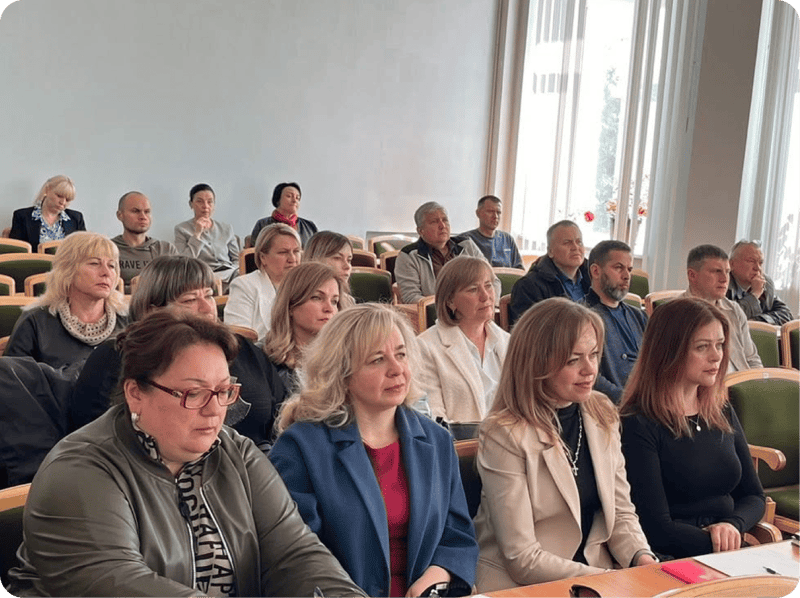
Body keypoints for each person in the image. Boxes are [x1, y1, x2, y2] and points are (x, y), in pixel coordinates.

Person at [6, 310, 366, 598]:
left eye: (223, 391)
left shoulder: (237, 453)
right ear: (135, 393)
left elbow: (294, 552)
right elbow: (119, 582)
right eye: (194, 393)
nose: (215, 410)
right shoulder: (79, 470)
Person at [269, 303, 478, 598]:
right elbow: (297, 558)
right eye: (377, 360)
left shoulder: (437, 441)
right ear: (342, 373)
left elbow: (458, 537)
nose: (397, 369)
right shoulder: (300, 447)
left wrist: (434, 578)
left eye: (401, 355)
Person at [473, 298, 655, 592]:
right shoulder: (503, 434)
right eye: (573, 360)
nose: (590, 369)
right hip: (521, 585)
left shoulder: (602, 411)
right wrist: (604, 579)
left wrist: (643, 559)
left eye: (593, 355)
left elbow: (621, 514)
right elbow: (521, 558)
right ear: (537, 364)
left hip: (592, 577)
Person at [70, 255, 287, 450]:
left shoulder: (243, 349)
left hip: (258, 466)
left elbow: (282, 417)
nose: (207, 309)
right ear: (152, 311)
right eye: (190, 300)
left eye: (209, 296)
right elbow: (93, 439)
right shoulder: (117, 356)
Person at [620, 298, 766, 559]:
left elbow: (754, 496)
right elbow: (656, 528)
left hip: (724, 551)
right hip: (670, 558)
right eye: (702, 347)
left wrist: (732, 525)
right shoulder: (638, 422)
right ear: (669, 351)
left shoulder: (721, 410)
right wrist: (724, 547)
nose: (717, 356)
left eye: (719, 344)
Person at [4, 232, 127, 368]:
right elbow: (13, 376)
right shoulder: (35, 321)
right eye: (94, 263)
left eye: (112, 266)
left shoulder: (130, 322)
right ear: (68, 269)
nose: (106, 272)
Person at [416, 256, 510, 423]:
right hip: (460, 439)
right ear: (450, 301)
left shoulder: (508, 341)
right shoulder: (425, 347)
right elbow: (433, 419)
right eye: (473, 289)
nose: (485, 296)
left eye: (488, 286)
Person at [580, 240, 647, 403]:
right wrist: (628, 402)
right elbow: (588, 375)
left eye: (629, 269)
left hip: (647, 402)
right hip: (608, 407)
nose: (626, 276)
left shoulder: (639, 316)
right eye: (618, 268)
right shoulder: (580, 317)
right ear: (596, 271)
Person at [395, 201, 499, 304]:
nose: (442, 225)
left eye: (445, 220)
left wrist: (489, 304)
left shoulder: (467, 245)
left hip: (475, 308)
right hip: (435, 312)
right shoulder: (409, 256)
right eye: (434, 222)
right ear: (421, 231)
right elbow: (411, 297)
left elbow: (493, 281)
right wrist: (448, 308)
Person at [263, 262, 344, 390]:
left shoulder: (347, 358)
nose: (329, 308)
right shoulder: (262, 361)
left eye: (334, 301)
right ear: (290, 305)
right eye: (317, 298)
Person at [681, 244, 761, 372]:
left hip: (742, 380)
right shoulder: (675, 314)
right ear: (692, 275)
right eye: (716, 271)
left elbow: (752, 359)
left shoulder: (734, 309)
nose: (724, 279)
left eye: (727, 272)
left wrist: (757, 382)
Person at [224, 223, 302, 345]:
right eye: (283, 252)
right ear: (262, 257)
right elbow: (238, 339)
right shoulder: (244, 286)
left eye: (296, 251)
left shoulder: (307, 284)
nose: (292, 259)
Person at [509, 220, 590, 326]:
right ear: (550, 252)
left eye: (579, 242)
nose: (575, 247)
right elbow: (530, 331)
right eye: (567, 243)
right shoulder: (528, 286)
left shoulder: (594, 278)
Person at [174, 183, 240, 288]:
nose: (205, 206)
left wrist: (235, 272)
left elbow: (237, 258)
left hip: (230, 274)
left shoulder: (226, 228)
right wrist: (197, 234)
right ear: (191, 204)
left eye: (210, 202)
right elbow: (184, 262)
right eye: (200, 201)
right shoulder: (181, 229)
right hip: (202, 276)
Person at [112, 190, 178, 292]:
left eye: (147, 212)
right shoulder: (107, 248)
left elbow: (177, 286)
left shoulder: (166, 249)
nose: (143, 217)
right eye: (135, 211)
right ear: (120, 215)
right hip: (118, 301)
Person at [10, 175, 86, 252]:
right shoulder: (22, 216)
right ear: (47, 190)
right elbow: (16, 251)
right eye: (59, 196)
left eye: (68, 200)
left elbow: (84, 250)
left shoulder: (76, 218)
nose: (63, 202)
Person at [726, 240, 793, 325]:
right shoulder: (722, 283)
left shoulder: (766, 283)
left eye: (760, 263)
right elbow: (730, 317)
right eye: (751, 261)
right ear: (731, 264)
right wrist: (755, 294)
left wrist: (758, 321)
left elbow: (786, 314)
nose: (757, 268)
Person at [462, 195, 523, 269]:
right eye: (490, 211)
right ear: (478, 213)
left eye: (498, 212)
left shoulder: (508, 239)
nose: (495, 216)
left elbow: (519, 269)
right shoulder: (466, 240)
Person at [250, 182, 318, 248]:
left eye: (297, 198)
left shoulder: (310, 226)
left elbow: (318, 250)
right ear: (278, 200)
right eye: (289, 196)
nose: (294, 201)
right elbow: (253, 251)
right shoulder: (262, 224)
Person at [302, 230, 356, 307]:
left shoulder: (348, 301)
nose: (347, 266)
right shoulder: (299, 300)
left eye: (349, 260)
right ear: (315, 259)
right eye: (337, 258)